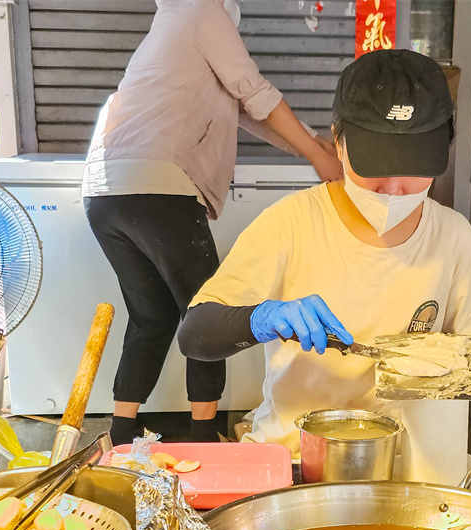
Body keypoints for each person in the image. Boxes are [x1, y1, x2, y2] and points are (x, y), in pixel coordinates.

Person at [178, 49, 471, 456]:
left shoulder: (454, 237)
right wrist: (263, 318)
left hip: (403, 459)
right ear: (338, 142)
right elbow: (195, 334)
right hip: (292, 454)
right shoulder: (290, 223)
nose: (394, 188)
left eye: (413, 167)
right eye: (377, 166)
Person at [82, 0, 342, 446]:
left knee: (152, 315)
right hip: (157, 186)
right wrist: (319, 156)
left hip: (105, 193)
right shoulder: (202, 11)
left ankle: (121, 434)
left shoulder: (174, 24)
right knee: (206, 311)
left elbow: (250, 112)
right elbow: (256, 90)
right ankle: (205, 436)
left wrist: (314, 145)